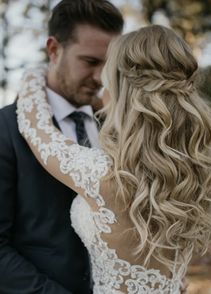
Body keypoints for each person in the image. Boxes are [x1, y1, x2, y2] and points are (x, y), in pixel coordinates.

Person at [17, 25, 211, 293]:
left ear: (122, 90)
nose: (99, 89)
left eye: (106, 80)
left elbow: (35, 128)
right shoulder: (193, 168)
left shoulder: (102, 175)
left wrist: (35, 73)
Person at [0, 0, 123, 293]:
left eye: (109, 65)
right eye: (91, 62)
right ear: (54, 50)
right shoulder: (5, 130)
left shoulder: (117, 128)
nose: (101, 78)